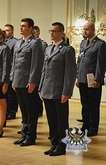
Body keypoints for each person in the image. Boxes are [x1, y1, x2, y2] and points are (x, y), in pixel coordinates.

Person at [39, 22, 76, 156]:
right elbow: (44, 70)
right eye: (50, 31)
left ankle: (62, 145)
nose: (51, 33)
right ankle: (54, 143)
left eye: (54, 31)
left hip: (59, 90)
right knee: (51, 119)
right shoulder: (48, 49)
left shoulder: (67, 50)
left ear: (61, 32)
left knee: (61, 120)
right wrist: (41, 87)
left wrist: (67, 91)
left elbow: (70, 73)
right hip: (47, 89)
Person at [12, 18, 43, 146]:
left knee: (31, 110)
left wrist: (32, 81)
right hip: (18, 80)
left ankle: (31, 136)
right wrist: (13, 78)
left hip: (28, 82)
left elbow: (36, 64)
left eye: (24, 26)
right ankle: (24, 134)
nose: (21, 28)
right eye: (20, 26)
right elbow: (14, 63)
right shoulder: (18, 43)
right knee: (23, 110)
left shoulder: (35, 43)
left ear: (30, 28)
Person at [75, 21, 106, 137]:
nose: (84, 31)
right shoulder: (83, 43)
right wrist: (77, 76)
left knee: (93, 104)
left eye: (87, 29)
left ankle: (93, 128)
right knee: (85, 104)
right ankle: (85, 126)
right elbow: (79, 61)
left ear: (93, 29)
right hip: (83, 78)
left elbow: (100, 64)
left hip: (93, 79)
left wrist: (98, 79)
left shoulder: (100, 44)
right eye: (84, 29)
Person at [32, 26, 48, 117]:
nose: (34, 34)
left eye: (36, 32)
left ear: (39, 33)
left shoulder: (43, 44)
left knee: (38, 92)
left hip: (40, 71)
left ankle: (39, 110)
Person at [4, 24, 18, 120]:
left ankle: (12, 112)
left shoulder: (15, 42)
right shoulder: (3, 42)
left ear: (12, 31)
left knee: (11, 94)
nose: (6, 32)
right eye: (4, 30)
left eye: (8, 30)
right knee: (5, 94)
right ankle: (6, 111)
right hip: (4, 71)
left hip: (10, 70)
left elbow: (14, 58)